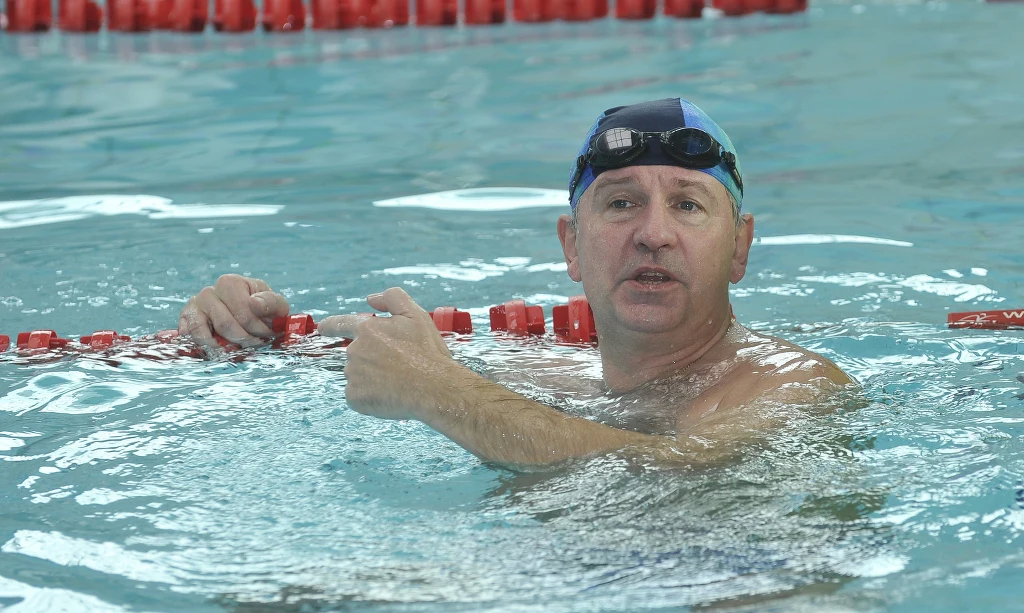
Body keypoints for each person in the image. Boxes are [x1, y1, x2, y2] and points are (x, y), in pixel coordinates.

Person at [178, 97, 854, 466]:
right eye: (620, 203)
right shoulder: (542, 375)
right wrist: (245, 330)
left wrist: (441, 393)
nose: (653, 232)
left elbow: (675, 478)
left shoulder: (795, 385)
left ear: (739, 248)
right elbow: (380, 365)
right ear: (572, 247)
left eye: (687, 204)